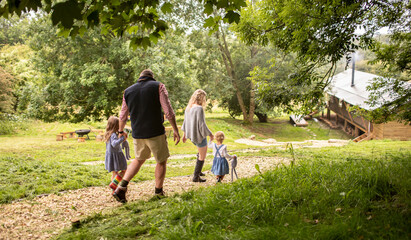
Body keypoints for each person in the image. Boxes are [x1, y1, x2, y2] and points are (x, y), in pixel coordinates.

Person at [113, 69, 180, 203]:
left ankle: (120, 188)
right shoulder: (158, 86)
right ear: (152, 77)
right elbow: (168, 111)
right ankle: (158, 192)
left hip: (138, 133)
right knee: (161, 161)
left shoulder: (128, 91)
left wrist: (120, 131)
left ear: (140, 77)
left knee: (138, 159)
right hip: (155, 131)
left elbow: (123, 114)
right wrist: (175, 129)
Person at [181, 89, 214, 182]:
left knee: (200, 153)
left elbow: (185, 122)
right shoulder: (199, 108)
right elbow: (202, 125)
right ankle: (196, 177)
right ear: (202, 98)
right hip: (198, 136)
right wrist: (210, 134)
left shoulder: (188, 107)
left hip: (191, 136)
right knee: (202, 156)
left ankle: (199, 172)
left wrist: (184, 135)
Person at [104, 116, 127, 191]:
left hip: (111, 156)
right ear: (116, 125)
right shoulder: (113, 134)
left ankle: (113, 190)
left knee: (114, 173)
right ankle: (114, 184)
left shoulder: (108, 134)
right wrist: (123, 138)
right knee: (124, 170)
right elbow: (114, 144)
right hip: (116, 156)